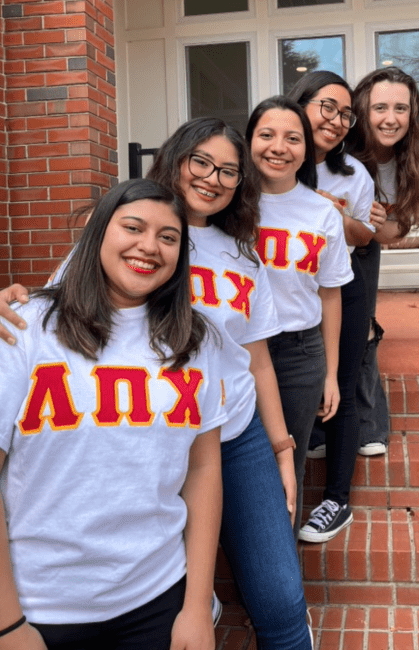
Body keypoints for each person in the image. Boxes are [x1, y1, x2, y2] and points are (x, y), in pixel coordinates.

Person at [0, 118, 314, 649]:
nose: (213, 178)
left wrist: (282, 446)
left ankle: (189, 601)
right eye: (202, 162)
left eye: (230, 172)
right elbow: (58, 312)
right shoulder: (124, 227)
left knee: (280, 598)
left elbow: (257, 357)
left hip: (228, 436)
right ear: (175, 157)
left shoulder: (244, 253)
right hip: (136, 430)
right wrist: (11, 303)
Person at [0, 178, 226, 650]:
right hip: (41, 606)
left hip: (157, 597)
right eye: (133, 227)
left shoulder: (194, 339)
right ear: (99, 231)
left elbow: (203, 468)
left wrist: (197, 604)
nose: (150, 246)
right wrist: (7, 623)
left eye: (169, 238)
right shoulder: (25, 329)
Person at [245, 96, 354, 539]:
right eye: (266, 135)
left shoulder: (321, 212)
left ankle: (281, 571)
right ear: (248, 140)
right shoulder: (228, 206)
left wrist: (329, 373)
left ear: (307, 150)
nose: (279, 147)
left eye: (293, 138)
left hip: (296, 355)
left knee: (284, 464)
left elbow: (330, 295)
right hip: (231, 352)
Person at [286, 71, 378, 542]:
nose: (338, 120)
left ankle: (337, 499)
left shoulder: (352, 174)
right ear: (300, 103)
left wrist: (331, 212)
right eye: (328, 107)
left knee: (339, 379)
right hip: (285, 287)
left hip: (342, 281)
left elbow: (366, 235)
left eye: (346, 114)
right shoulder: (275, 159)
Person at [348, 66, 419, 452]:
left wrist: (368, 224)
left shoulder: (411, 159)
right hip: (314, 249)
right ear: (363, 108)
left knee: (361, 326)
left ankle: (367, 428)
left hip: (363, 248)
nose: (390, 118)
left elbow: (398, 230)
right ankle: (318, 430)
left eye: (400, 108)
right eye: (380, 107)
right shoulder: (341, 149)